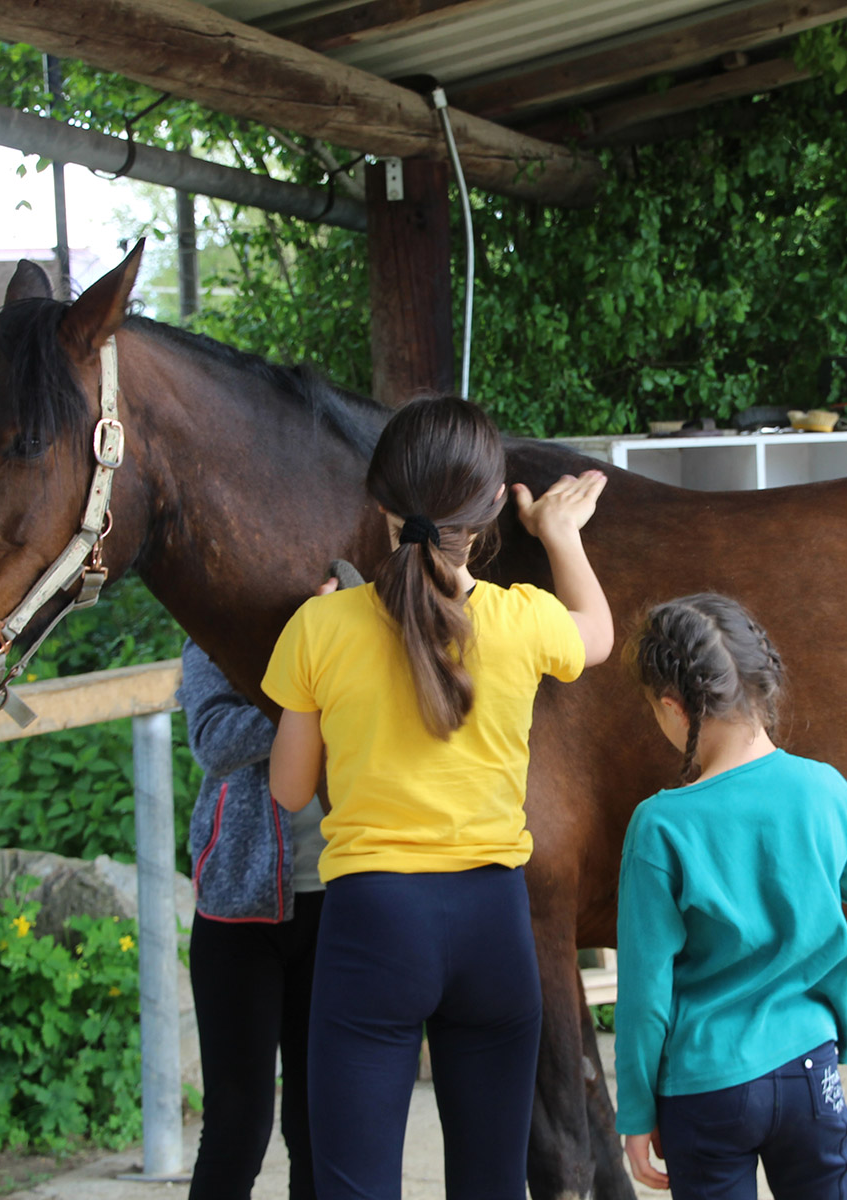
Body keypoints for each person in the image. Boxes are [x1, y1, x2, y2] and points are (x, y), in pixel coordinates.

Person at [260, 395, 614, 1200]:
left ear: (379, 504)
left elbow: (287, 791)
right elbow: (598, 633)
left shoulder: (320, 629)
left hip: (372, 927)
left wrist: (313, 659)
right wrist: (560, 536)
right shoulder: (524, 621)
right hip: (495, 927)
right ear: (492, 506)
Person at [615, 593, 847, 1199]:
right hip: (809, 1072)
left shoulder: (660, 824)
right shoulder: (824, 789)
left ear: (673, 707)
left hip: (705, 1086)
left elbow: (645, 993)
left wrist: (637, 1115)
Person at [177, 639, 326, 1200]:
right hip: (238, 908)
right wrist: (313, 701)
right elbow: (213, 740)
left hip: (342, 903)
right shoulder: (214, 632)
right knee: (238, 1127)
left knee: (319, 1126)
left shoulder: (361, 622)